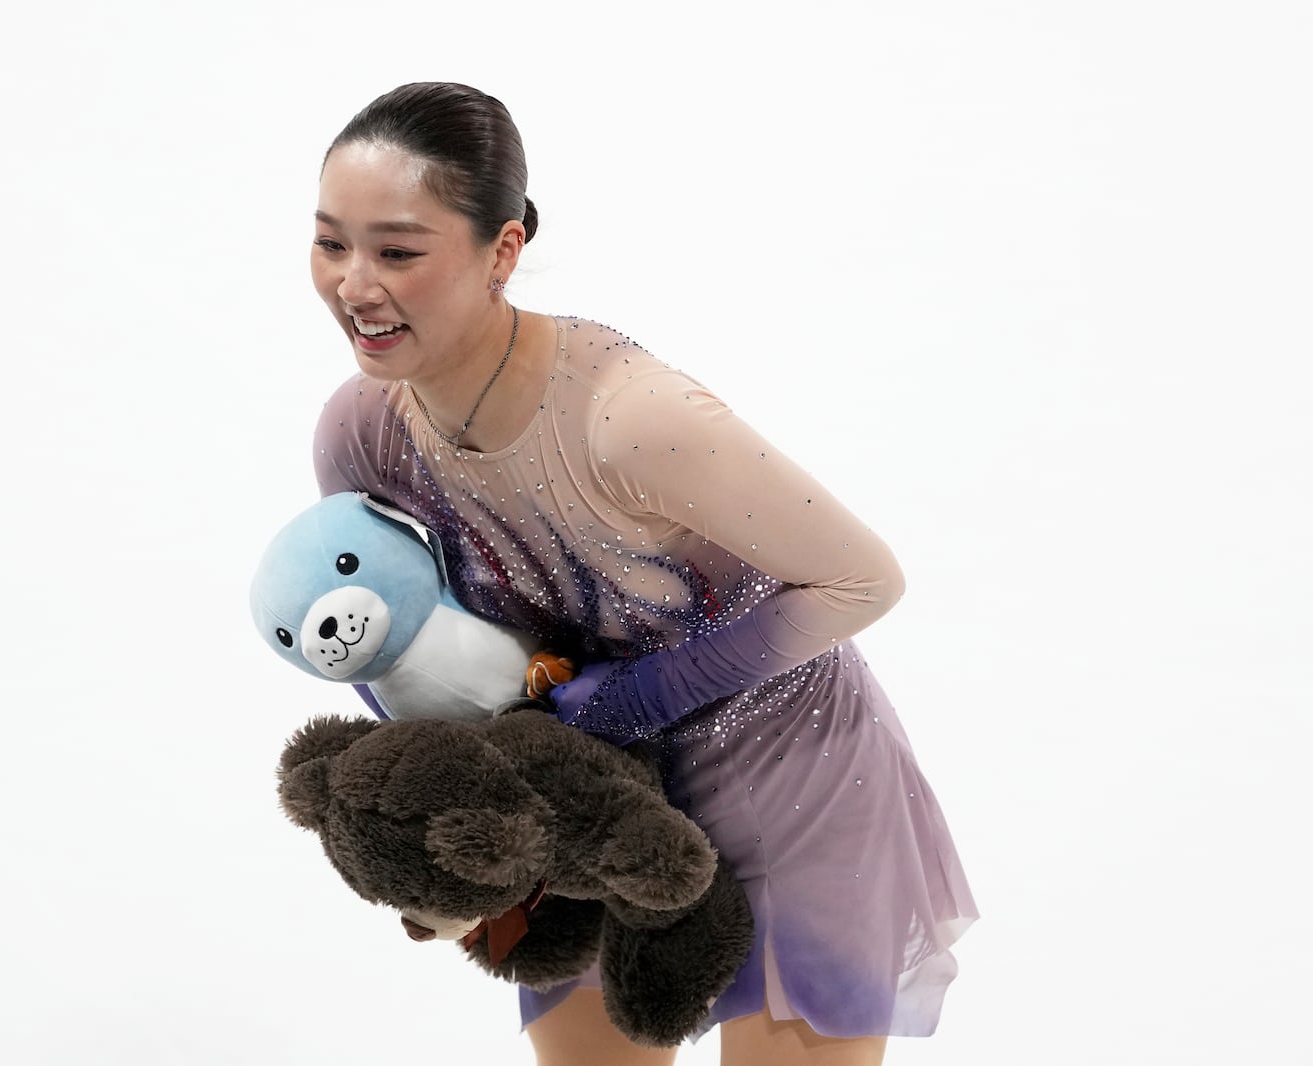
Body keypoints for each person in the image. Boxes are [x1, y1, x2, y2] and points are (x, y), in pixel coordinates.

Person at [305, 81, 979, 1066]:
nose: (355, 284)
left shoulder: (624, 420)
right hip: (584, 801)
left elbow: (862, 581)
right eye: (331, 244)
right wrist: (441, 808)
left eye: (397, 251)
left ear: (502, 250)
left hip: (788, 777)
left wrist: (634, 696)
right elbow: (393, 639)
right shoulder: (361, 434)